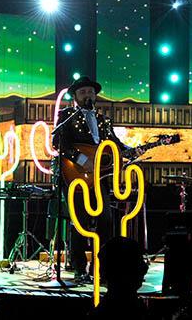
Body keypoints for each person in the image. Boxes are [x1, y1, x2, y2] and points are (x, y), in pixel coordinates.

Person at [52, 76, 144, 283]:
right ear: (75, 96)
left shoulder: (103, 121)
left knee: (106, 220)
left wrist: (132, 151)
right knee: (81, 221)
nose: (88, 95)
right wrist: (82, 159)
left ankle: (101, 267)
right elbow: (58, 142)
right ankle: (79, 268)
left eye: (91, 92)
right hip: (75, 176)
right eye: (83, 92)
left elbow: (115, 144)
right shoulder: (67, 116)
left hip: (98, 177)